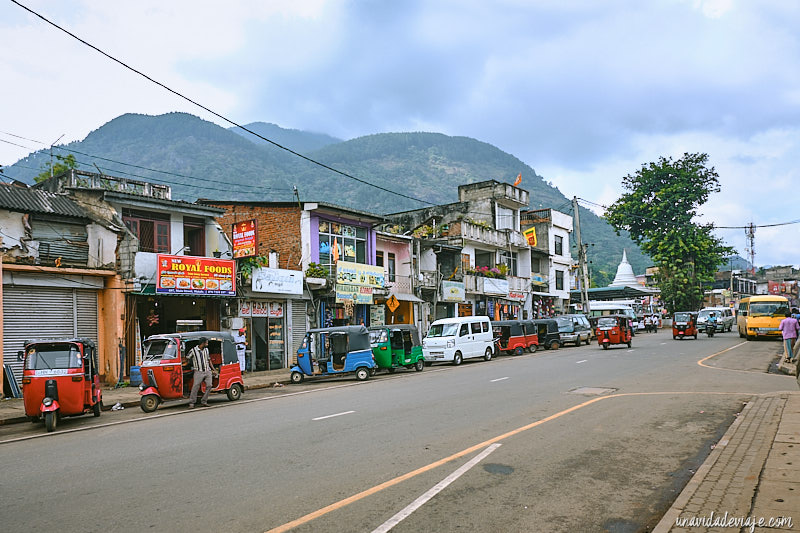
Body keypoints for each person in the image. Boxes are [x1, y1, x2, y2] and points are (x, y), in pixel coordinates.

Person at [188, 337, 215, 408]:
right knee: (195, 386)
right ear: (202, 343)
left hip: (207, 370)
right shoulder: (193, 350)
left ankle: (204, 401)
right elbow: (187, 358)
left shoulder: (206, 350)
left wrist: (213, 369)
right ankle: (192, 402)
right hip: (198, 371)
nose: (207, 344)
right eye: (206, 343)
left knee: (209, 385)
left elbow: (209, 360)